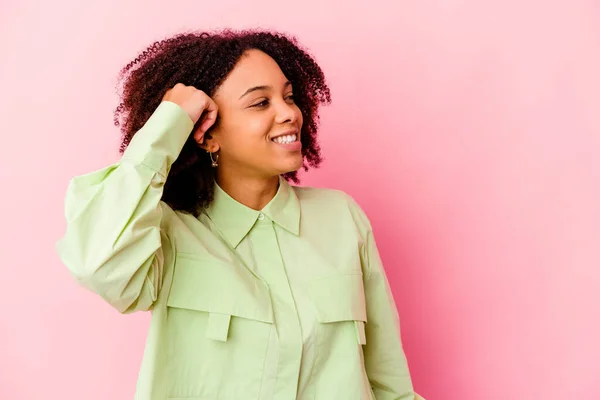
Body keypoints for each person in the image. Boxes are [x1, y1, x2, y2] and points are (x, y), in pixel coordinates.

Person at [56, 29, 425, 400]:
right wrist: (169, 123)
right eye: (260, 103)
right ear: (207, 134)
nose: (288, 113)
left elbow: (390, 384)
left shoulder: (342, 218)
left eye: (289, 97)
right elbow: (97, 263)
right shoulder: (167, 231)